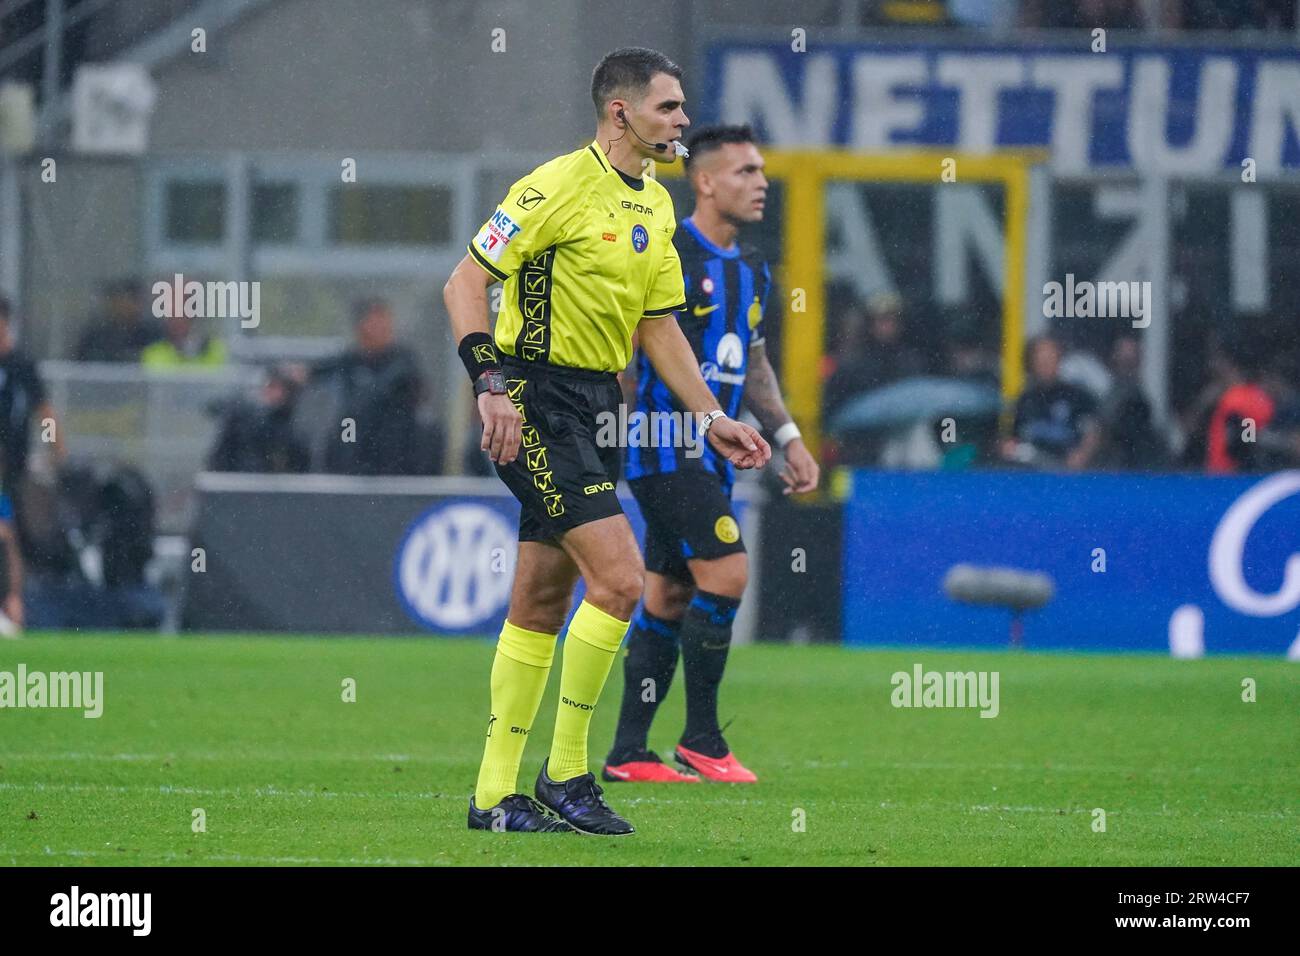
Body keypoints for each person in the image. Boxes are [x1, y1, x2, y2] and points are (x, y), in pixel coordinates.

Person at [442, 48, 770, 835]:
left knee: (542, 598)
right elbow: (463, 284)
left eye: (684, 107)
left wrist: (709, 417)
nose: (682, 120)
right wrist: (490, 386)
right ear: (620, 113)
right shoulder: (554, 186)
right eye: (669, 108)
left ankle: (492, 798)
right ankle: (567, 773)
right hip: (532, 397)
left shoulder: (654, 202)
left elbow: (657, 326)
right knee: (621, 580)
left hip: (597, 406)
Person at [603, 125, 819, 785]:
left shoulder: (751, 270)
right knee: (726, 574)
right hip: (665, 448)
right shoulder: (669, 251)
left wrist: (788, 437)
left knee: (668, 596)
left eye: (761, 172)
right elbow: (630, 350)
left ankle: (630, 753)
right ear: (704, 181)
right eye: (745, 172)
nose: (760, 184)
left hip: (716, 458)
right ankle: (701, 740)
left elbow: (753, 366)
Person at [0, 296, 67, 634]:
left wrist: (55, 448)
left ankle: (14, 606)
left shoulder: (21, 366)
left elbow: (44, 412)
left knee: (11, 536)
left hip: (10, 472)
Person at [311, 298, 425, 476]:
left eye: (385, 321)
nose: (383, 327)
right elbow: (318, 373)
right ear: (360, 326)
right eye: (375, 321)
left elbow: (382, 397)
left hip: (394, 459)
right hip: (354, 458)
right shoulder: (349, 361)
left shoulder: (403, 362)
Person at [1002, 335, 1100, 470]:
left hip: (1069, 472)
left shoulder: (1077, 396)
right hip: (1032, 471)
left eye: (1050, 358)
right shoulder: (1025, 399)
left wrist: (1082, 454)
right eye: (1040, 360)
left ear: (1059, 359)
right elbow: (1013, 437)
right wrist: (1009, 447)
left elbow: (1093, 432)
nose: (1045, 364)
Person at [207, 365, 310, 474]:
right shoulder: (240, 417)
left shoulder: (291, 421)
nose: (275, 393)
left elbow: (297, 458)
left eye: (280, 388)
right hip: (241, 478)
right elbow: (221, 453)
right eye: (271, 387)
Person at [75, 279, 163, 362]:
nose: (124, 306)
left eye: (129, 300)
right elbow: (82, 368)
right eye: (119, 301)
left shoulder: (152, 334)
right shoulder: (94, 337)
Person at [140, 314, 228, 368]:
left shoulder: (216, 350)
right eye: (172, 314)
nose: (177, 321)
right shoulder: (153, 353)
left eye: (183, 314)